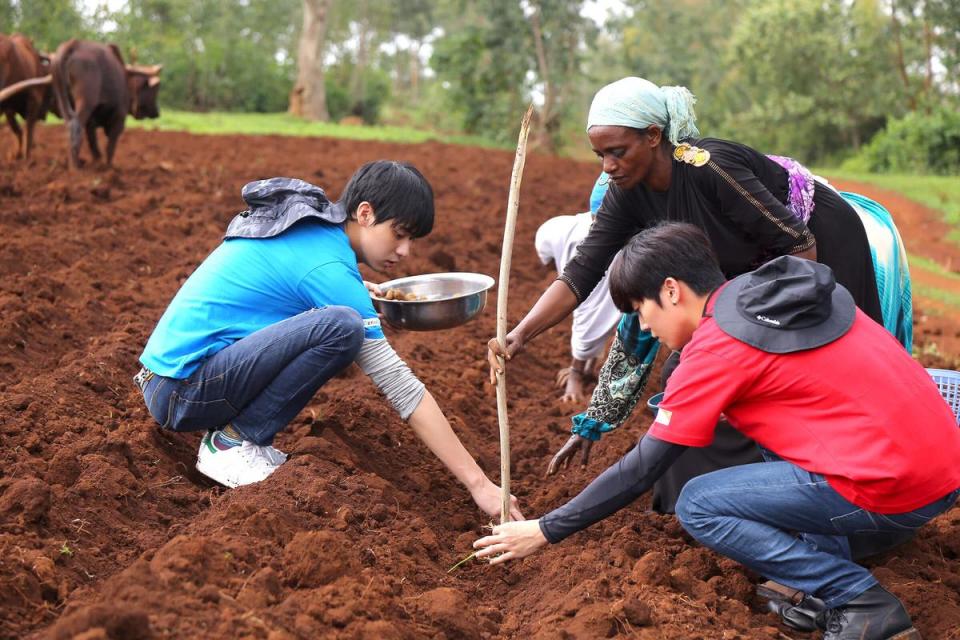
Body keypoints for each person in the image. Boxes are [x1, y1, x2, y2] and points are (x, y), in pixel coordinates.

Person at [475, 223, 960, 640]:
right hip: (940, 466)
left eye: (640, 310)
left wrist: (545, 529)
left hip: (897, 491)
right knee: (773, 437)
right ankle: (821, 592)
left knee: (699, 503)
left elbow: (646, 466)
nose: (644, 325)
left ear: (671, 290)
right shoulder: (766, 295)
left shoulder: (718, 347)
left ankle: (858, 600)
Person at [489, 76, 886, 512]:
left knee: (815, 366)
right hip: (742, 272)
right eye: (600, 155)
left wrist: (767, 327)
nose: (607, 165)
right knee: (687, 371)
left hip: (816, 250)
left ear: (654, 136)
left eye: (617, 152)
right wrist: (520, 334)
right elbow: (579, 275)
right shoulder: (626, 195)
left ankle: (848, 496)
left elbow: (797, 245)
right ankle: (711, 496)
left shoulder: (706, 168)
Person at [135, 162, 522, 522]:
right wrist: (479, 485)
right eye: (400, 235)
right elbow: (401, 387)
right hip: (182, 391)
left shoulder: (316, 236)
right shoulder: (326, 266)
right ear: (366, 214)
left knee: (340, 321)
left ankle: (240, 438)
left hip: (175, 381)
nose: (405, 252)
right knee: (343, 327)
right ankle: (232, 443)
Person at [533, 183, 620, 403]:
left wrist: (578, 369)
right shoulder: (570, 236)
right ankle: (585, 366)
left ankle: (587, 365)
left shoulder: (625, 247)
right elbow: (587, 306)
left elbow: (596, 312)